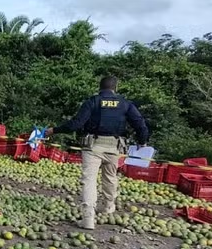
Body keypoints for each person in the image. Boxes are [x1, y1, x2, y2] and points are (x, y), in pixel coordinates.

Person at [49, 76, 149, 230]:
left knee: (89, 180)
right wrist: (142, 141)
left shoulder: (93, 102)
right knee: (110, 176)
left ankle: (88, 218)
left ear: (100, 88)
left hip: (93, 147)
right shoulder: (125, 104)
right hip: (114, 147)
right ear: (116, 88)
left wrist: (54, 130)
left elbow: (75, 124)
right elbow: (140, 124)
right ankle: (108, 207)